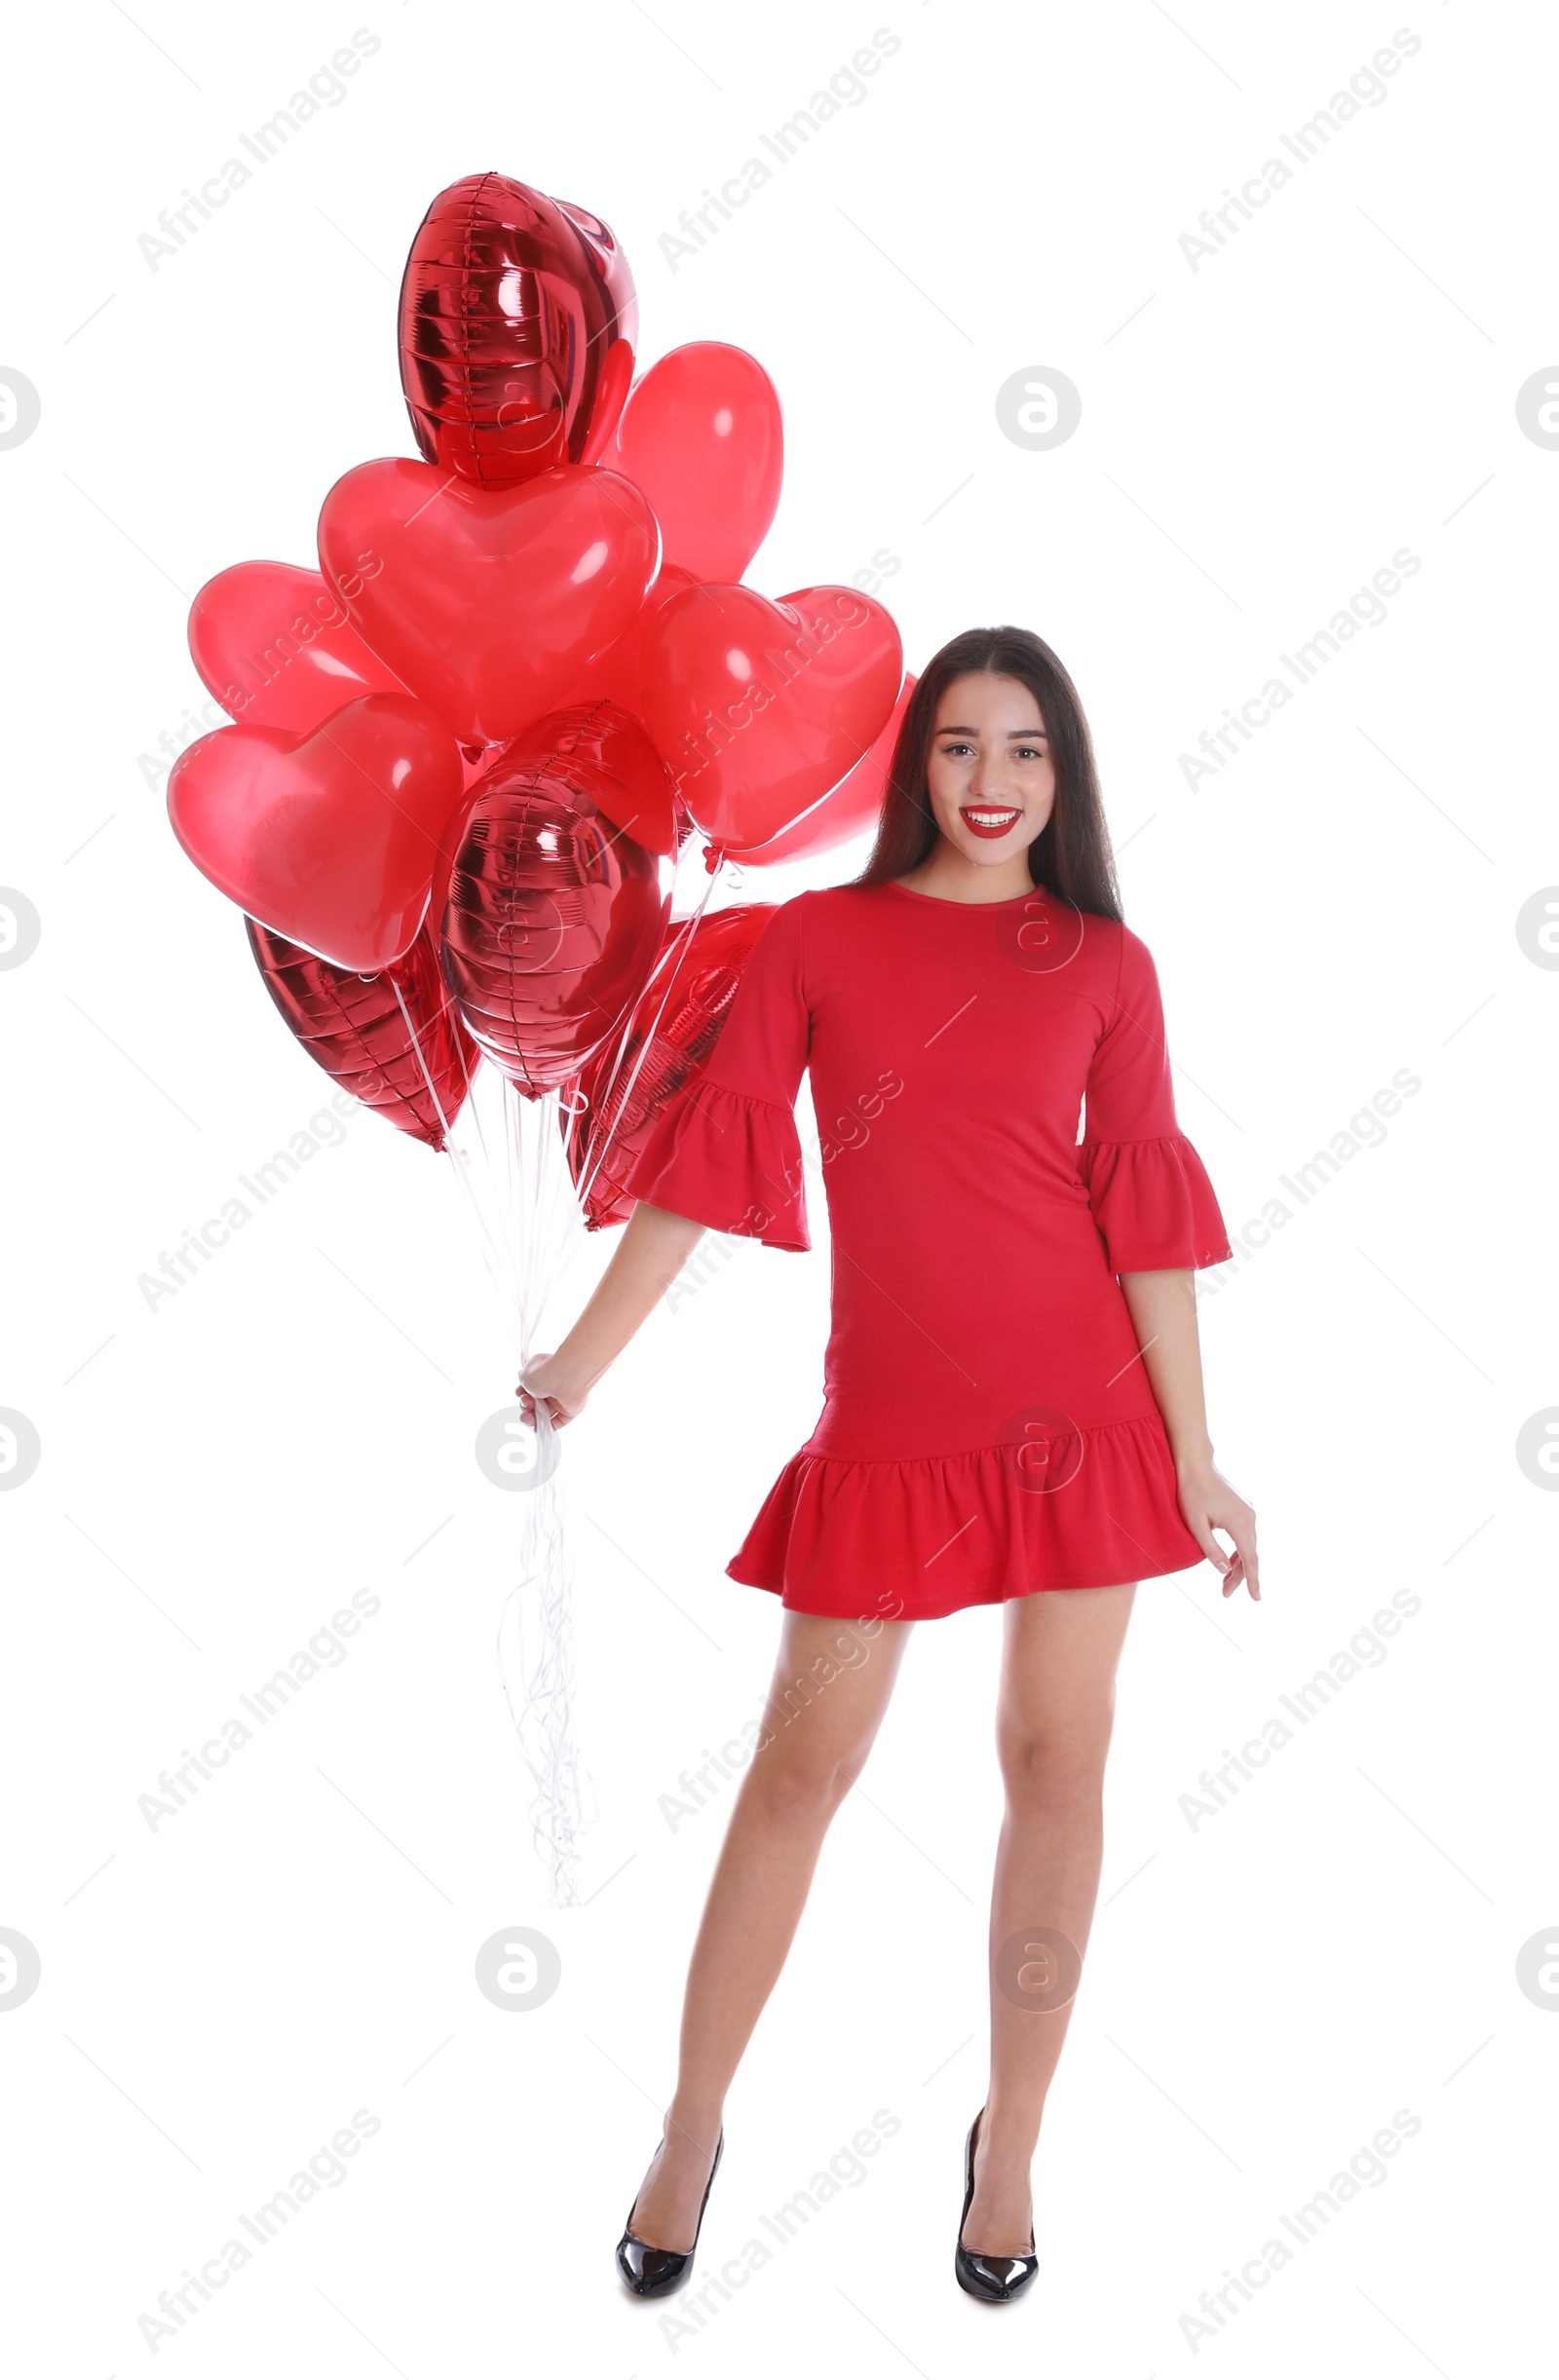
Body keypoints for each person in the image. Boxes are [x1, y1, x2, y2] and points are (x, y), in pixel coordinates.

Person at [517, 624, 1259, 2304]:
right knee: (798, 1779)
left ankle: (1012, 2145)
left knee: (1055, 1769)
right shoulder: (820, 941)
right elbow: (707, 1175)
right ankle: (691, 2124)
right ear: (916, 762)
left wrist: (1199, 1458)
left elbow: (1144, 1214)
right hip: (893, 1433)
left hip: (1086, 1427)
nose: (991, 785)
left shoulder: (1104, 966)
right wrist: (577, 1362)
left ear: (1065, 779)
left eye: (1027, 753)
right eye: (960, 748)